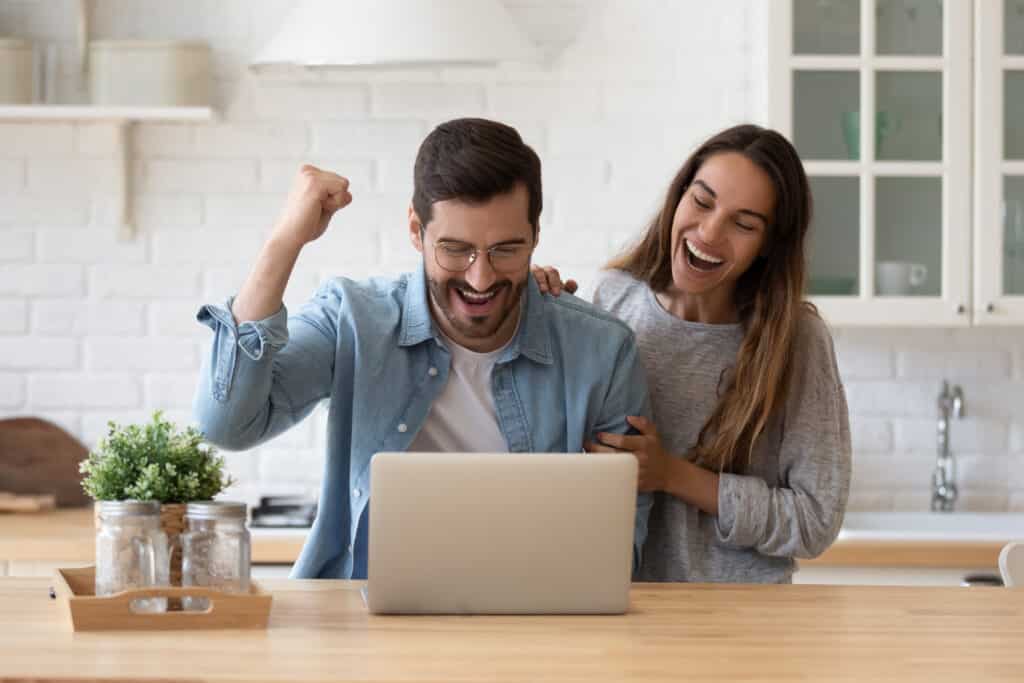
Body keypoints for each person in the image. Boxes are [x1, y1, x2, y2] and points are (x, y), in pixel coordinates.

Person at [193, 118, 653, 579]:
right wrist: (284, 241)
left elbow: (616, 554)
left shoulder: (602, 351)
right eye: (456, 249)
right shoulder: (354, 320)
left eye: (506, 249)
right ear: (416, 230)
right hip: (364, 627)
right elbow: (228, 425)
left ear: (535, 234)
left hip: (534, 630)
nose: (481, 278)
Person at [533, 124, 851, 583]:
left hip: (746, 625)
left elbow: (815, 520)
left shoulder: (797, 341)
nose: (709, 231)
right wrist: (536, 309)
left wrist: (672, 476)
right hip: (627, 609)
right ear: (678, 197)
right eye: (702, 202)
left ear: (768, 246)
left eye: (743, 224)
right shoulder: (614, 302)